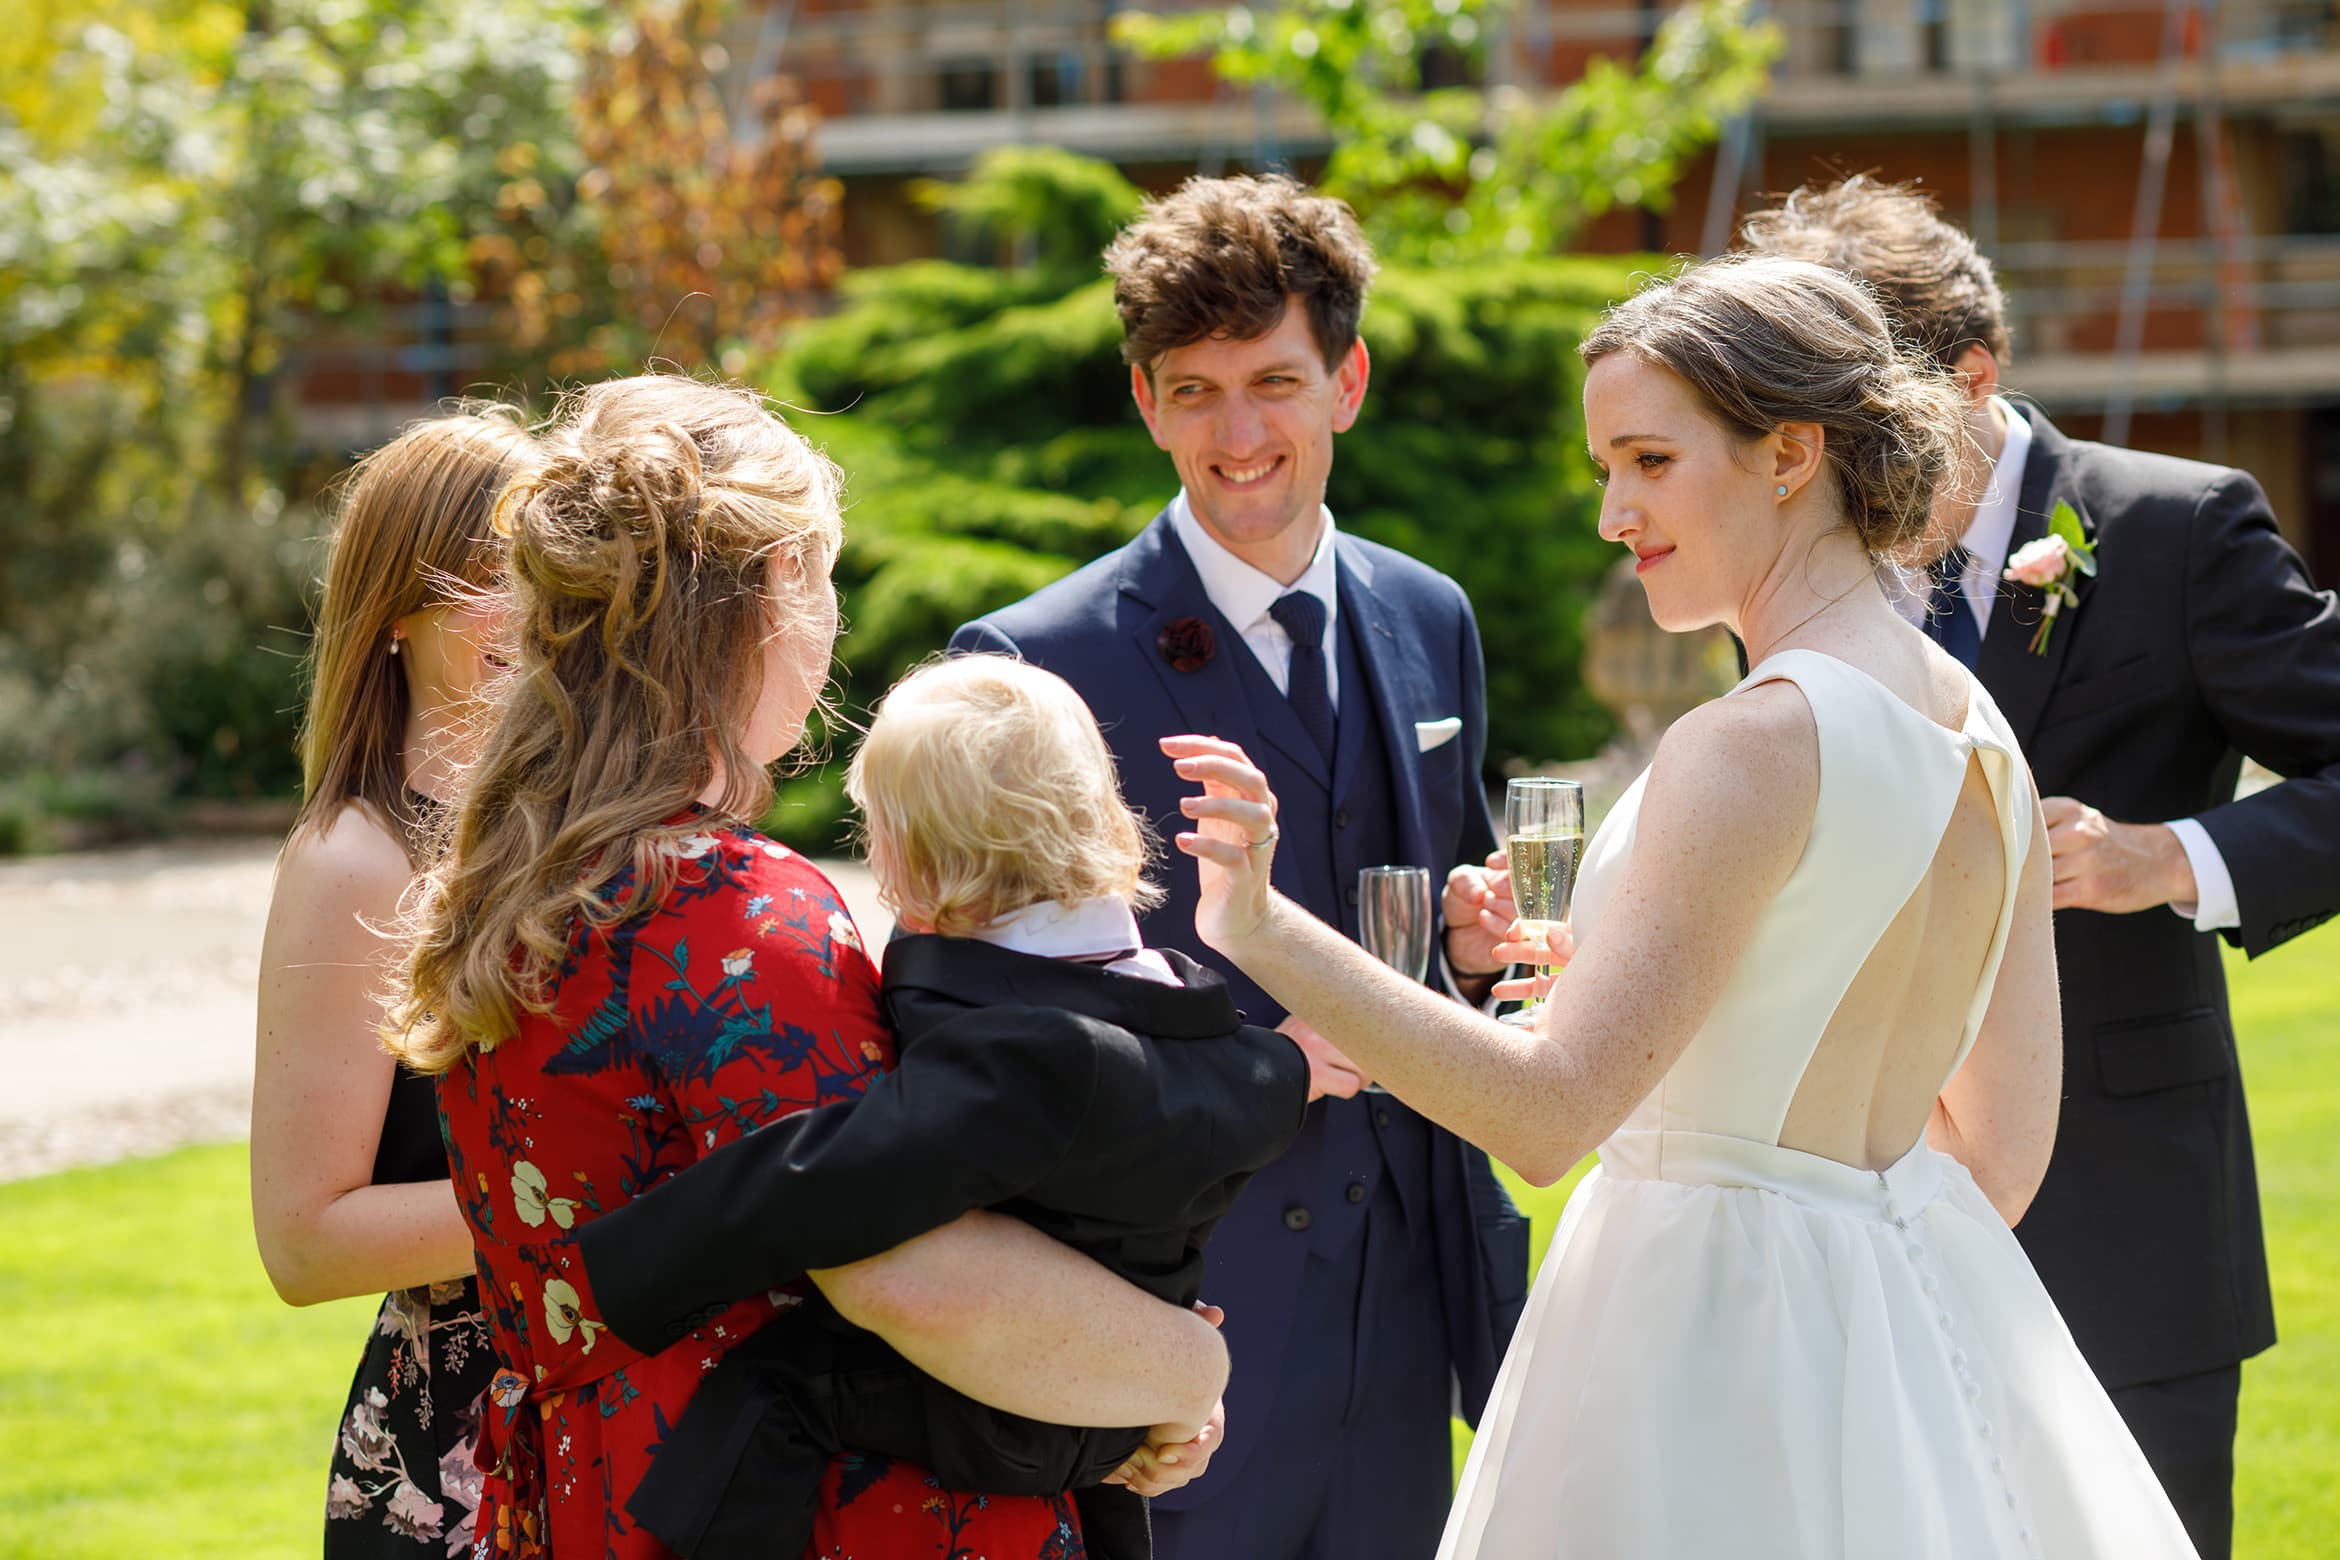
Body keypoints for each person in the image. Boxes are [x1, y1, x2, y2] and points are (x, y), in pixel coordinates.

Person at [1161, 253, 2202, 1558]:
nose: (1613, 512)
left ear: (1788, 455)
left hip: (1701, 1337)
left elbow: (1546, 1118)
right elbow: (1997, 1150)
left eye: (1650, 462)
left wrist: (1262, 928)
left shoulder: (1751, 740)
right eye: (1608, 468)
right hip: (1914, 1321)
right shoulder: (1974, 720)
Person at [382, 374, 1231, 1560]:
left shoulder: (520, 883)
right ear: (779, 582)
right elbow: (910, 1277)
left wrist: (1106, 1403)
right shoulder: (729, 906)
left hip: (606, 1498)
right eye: (826, 576)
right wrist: (1186, 1365)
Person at [1740, 176, 2340, 1560]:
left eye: (1862, 414)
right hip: (1857, 1203)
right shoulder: (1797, 559)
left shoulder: (2181, 527)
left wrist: (2172, 859)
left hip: (2127, 1211)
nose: (1830, 456)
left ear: (1974, 374)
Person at [949, 173, 1530, 1560]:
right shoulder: (1029, 668)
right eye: (1195, 391)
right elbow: (990, 1036)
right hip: (1181, 1303)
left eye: (1275, 380)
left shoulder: (1426, 614)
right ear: (1146, 402)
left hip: (1408, 1294)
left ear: (1350, 380)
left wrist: (1469, 950)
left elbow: (1444, 907)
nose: (1241, 433)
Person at [563, 653, 1313, 1560]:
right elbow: (1267, 1091)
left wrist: (638, 1258)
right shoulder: (1206, 1035)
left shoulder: (1022, 1057)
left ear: (913, 864)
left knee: (779, 1384)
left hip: (994, 1401)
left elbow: (836, 1174)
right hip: (1120, 1408)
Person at [250, 408, 535, 1557]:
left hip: (609, 1438)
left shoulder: (562, 834)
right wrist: (581, 1203)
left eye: (546, 571)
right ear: (395, 612)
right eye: (485, 578)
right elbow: (305, 1242)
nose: (524, 608)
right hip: (452, 1468)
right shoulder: (357, 859)